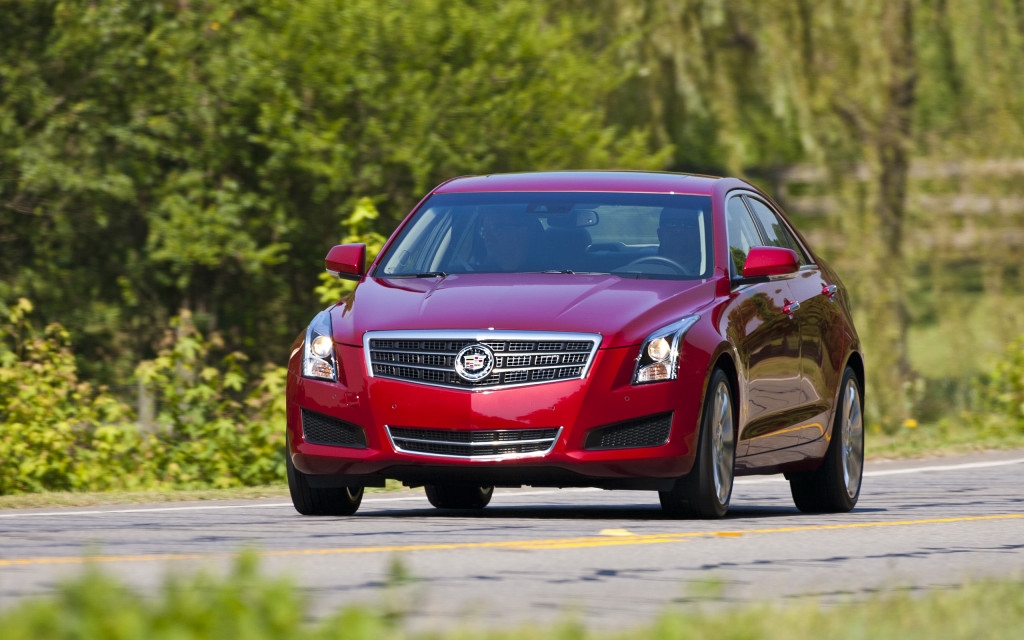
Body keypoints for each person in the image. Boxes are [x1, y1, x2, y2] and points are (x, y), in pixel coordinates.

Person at [475, 209, 542, 271]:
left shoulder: (547, 270)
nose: (488, 240)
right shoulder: (477, 273)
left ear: (523, 231)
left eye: (495, 229)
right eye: (483, 232)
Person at [656, 207, 704, 275]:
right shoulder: (642, 268)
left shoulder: (712, 271)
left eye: (688, 224)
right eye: (671, 223)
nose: (678, 230)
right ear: (660, 234)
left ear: (700, 234)